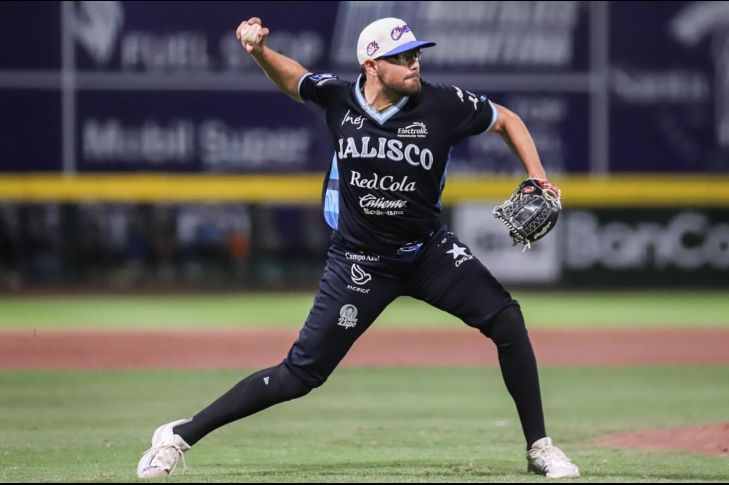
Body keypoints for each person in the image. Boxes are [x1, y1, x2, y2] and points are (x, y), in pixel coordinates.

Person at [137, 16, 580, 480]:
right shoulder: (340, 100)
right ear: (371, 64)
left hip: (427, 252)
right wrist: (260, 53)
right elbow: (296, 79)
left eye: (416, 54)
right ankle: (179, 435)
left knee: (506, 319)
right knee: (300, 375)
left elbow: (507, 120)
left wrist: (538, 177)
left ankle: (540, 448)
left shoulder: (444, 103)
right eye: (401, 57)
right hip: (359, 261)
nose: (414, 63)